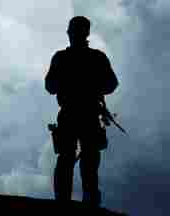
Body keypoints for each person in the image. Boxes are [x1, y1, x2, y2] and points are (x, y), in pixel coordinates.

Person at [45, 16, 119, 206]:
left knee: (83, 159)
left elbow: (111, 84)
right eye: (74, 30)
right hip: (79, 114)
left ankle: (82, 199)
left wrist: (89, 87)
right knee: (78, 159)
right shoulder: (92, 58)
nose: (73, 34)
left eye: (75, 31)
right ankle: (77, 200)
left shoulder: (69, 58)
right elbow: (50, 86)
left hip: (83, 114)